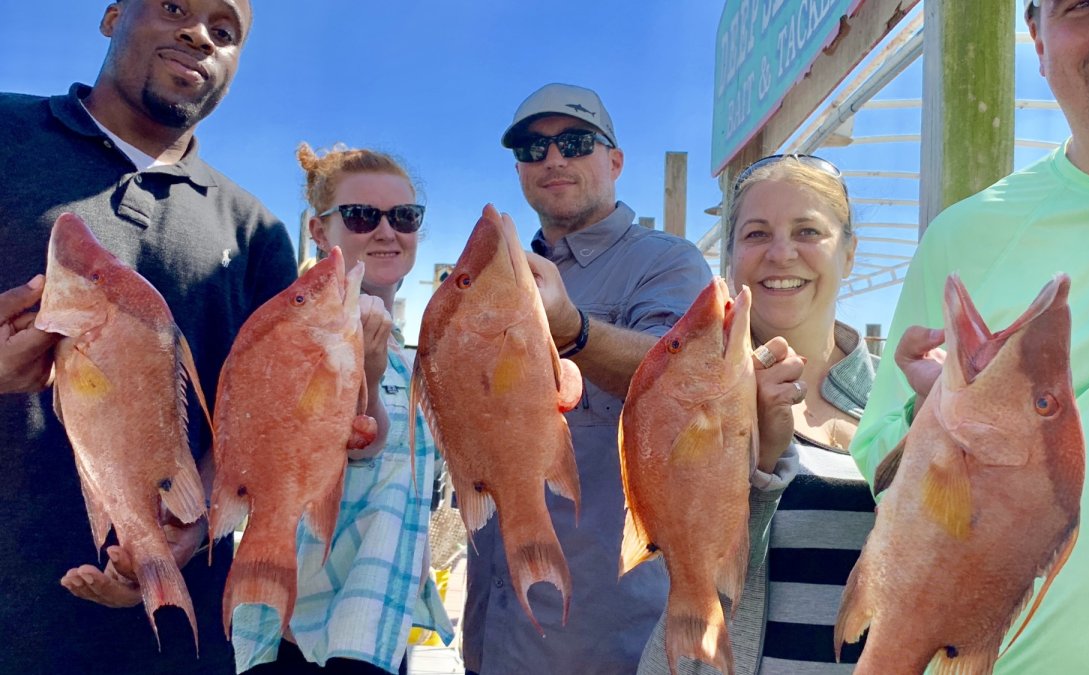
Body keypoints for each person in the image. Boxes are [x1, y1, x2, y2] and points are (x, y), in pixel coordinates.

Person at [849, 0, 1089, 672]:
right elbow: (880, 463)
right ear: (1037, 39)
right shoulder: (963, 235)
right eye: (1082, 5)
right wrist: (929, 425)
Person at [0, 1, 299, 672]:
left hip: (177, 643)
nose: (199, 34)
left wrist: (200, 513)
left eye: (225, 31)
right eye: (173, 7)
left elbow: (265, 411)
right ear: (111, 16)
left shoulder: (259, 231)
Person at [461, 83, 713, 675]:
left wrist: (574, 330)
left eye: (575, 143)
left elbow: (689, 383)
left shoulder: (668, 263)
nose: (554, 159)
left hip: (604, 644)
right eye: (532, 148)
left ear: (615, 162)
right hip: (490, 639)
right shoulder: (494, 274)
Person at [638, 154, 878, 674]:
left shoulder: (898, 393)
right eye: (756, 234)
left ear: (850, 254)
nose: (782, 253)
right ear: (730, 259)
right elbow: (689, 557)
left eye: (808, 230)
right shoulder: (687, 396)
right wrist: (758, 458)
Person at [232, 143, 452, 674]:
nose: (385, 231)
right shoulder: (298, 329)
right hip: (307, 633)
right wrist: (364, 382)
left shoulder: (402, 348)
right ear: (318, 229)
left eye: (404, 216)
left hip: (380, 622)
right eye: (360, 216)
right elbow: (347, 447)